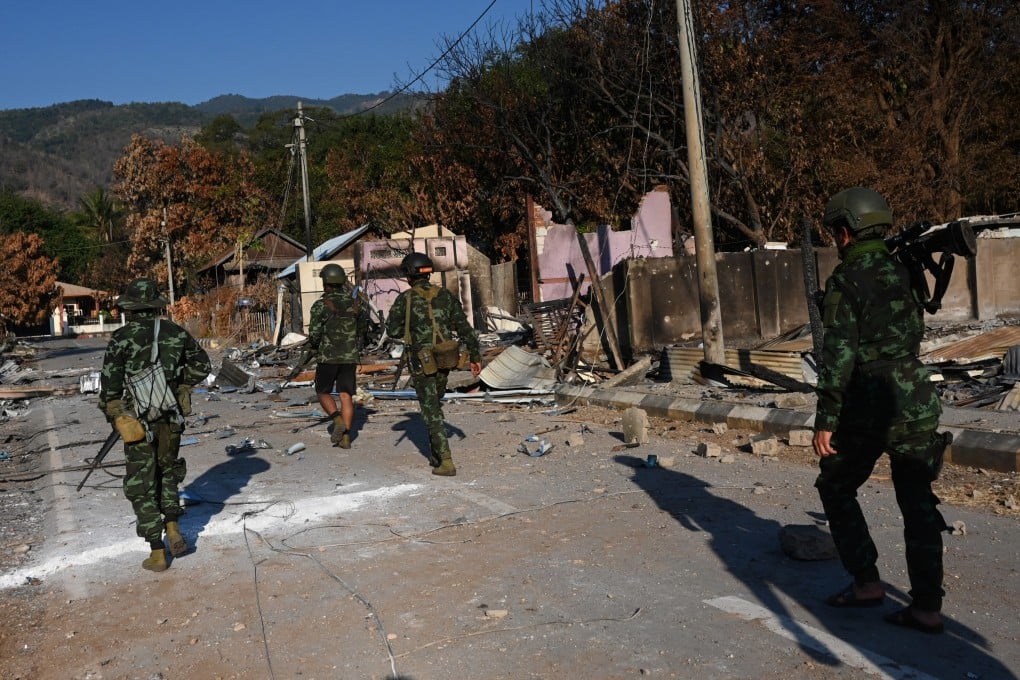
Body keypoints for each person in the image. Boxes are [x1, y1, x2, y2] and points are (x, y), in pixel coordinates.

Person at [812, 187, 951, 634]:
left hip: (869, 405)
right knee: (918, 504)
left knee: (835, 484)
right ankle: (927, 607)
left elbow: (837, 358)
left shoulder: (846, 281)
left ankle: (867, 583)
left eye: (837, 231)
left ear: (846, 232)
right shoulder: (904, 268)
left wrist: (826, 419)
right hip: (915, 399)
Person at [98, 278, 210, 572]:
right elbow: (203, 364)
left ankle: (158, 551)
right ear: (156, 305)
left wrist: (117, 415)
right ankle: (172, 526)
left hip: (137, 422)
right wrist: (180, 386)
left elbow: (109, 390)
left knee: (141, 485)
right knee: (168, 473)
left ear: (131, 308)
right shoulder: (176, 332)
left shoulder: (121, 338)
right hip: (170, 417)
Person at [385, 252, 482, 476]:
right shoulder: (445, 296)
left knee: (431, 411)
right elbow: (465, 328)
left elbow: (393, 331)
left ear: (409, 274)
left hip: (422, 362)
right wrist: (475, 357)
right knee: (434, 405)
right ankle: (436, 454)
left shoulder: (406, 299)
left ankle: (446, 461)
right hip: (445, 357)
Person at [303, 262, 368, 448]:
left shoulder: (321, 305)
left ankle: (337, 420)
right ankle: (346, 437)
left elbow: (314, 334)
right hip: (349, 357)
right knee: (346, 394)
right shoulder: (357, 305)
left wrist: (315, 346)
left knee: (322, 391)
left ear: (326, 283)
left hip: (328, 357)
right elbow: (362, 330)